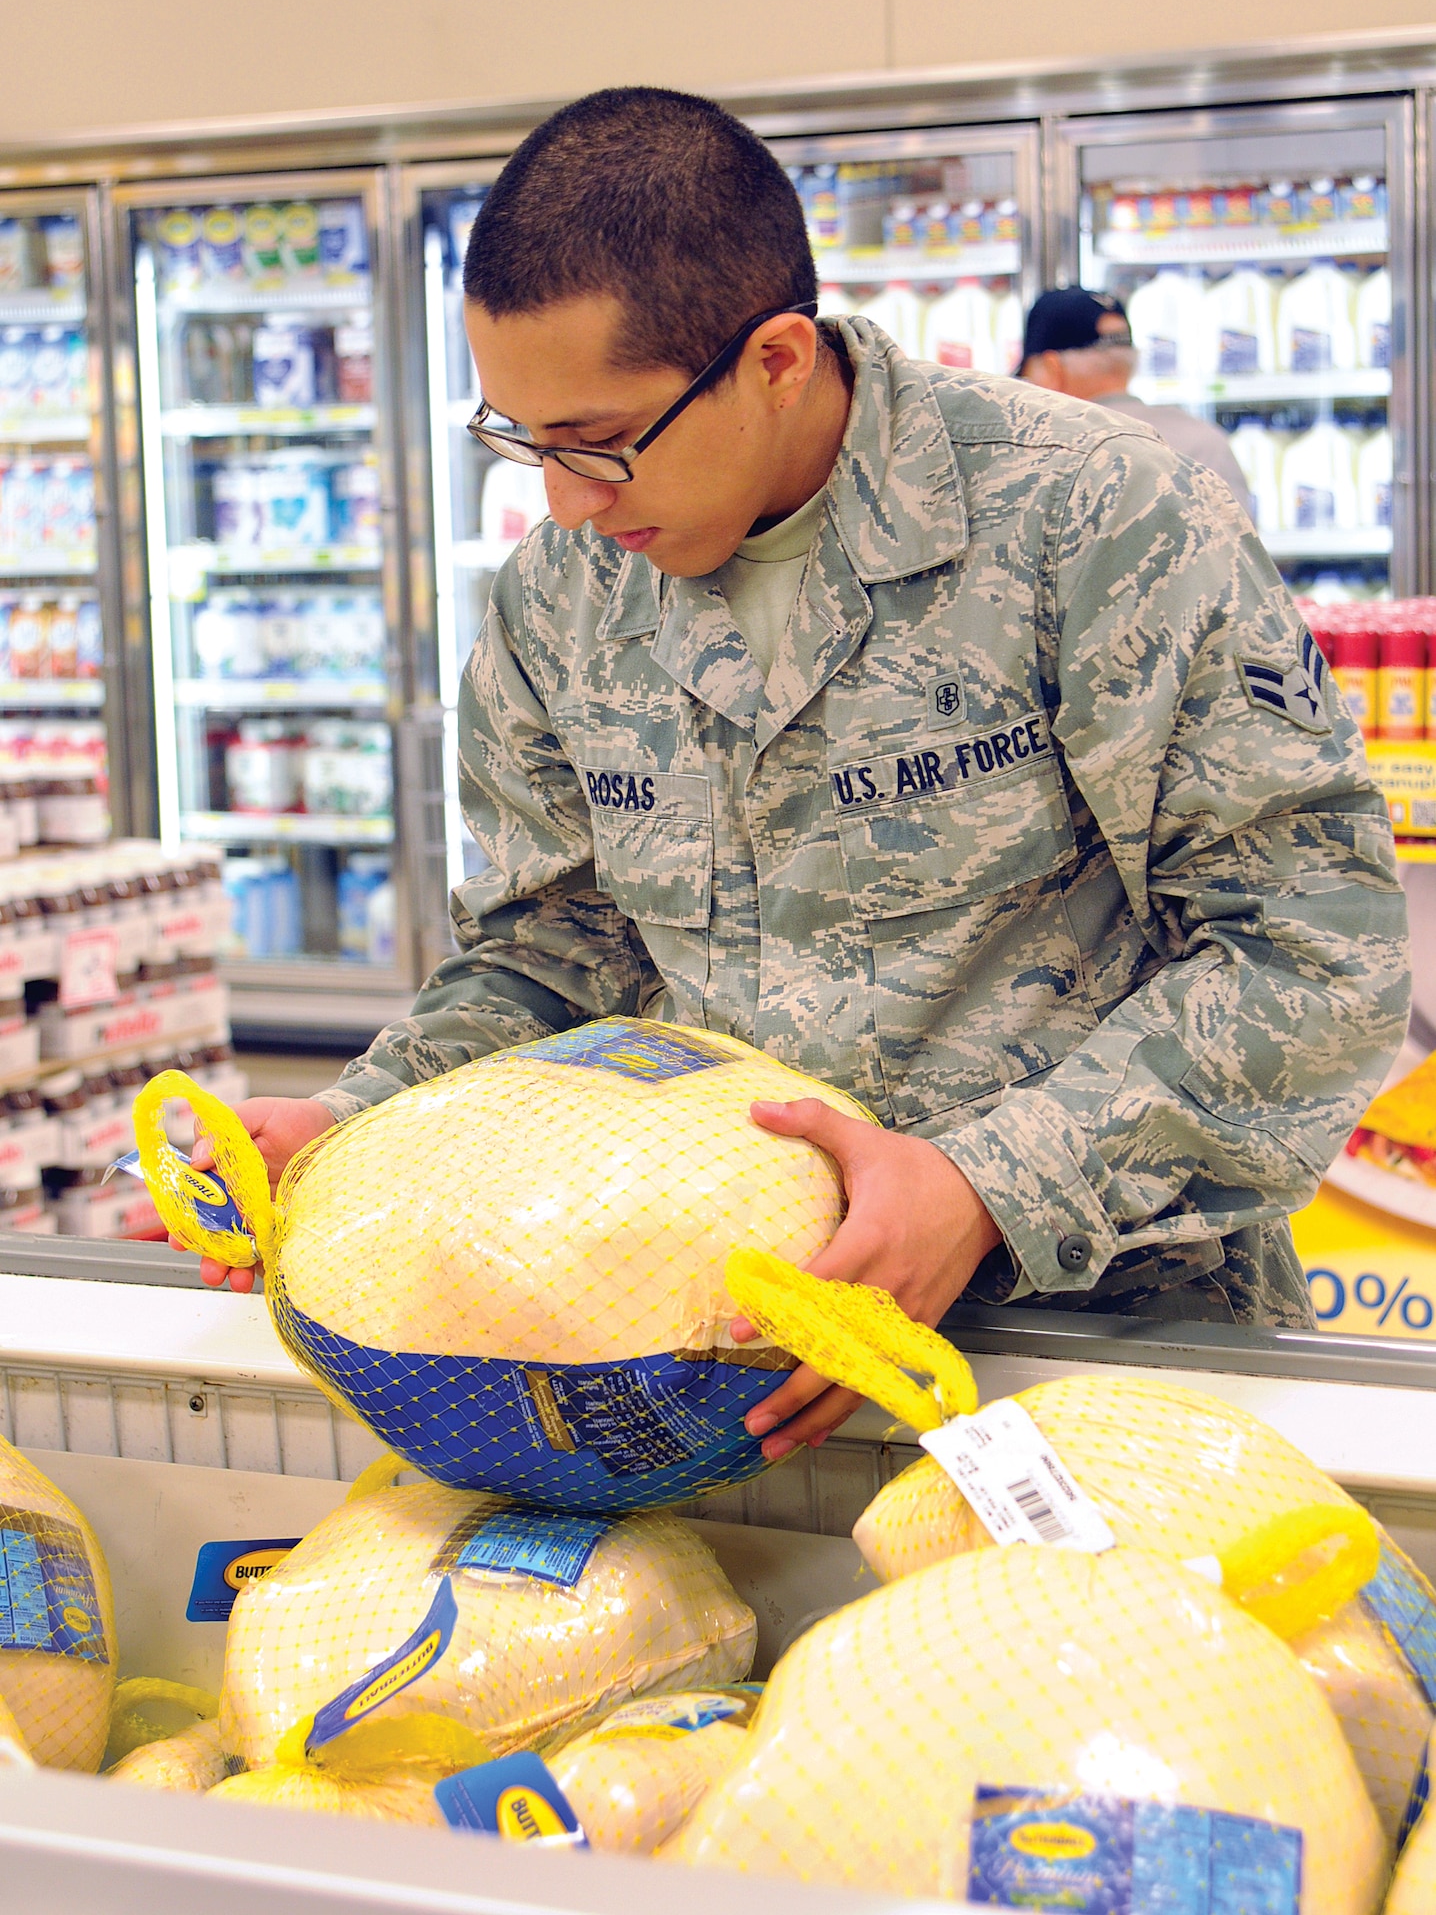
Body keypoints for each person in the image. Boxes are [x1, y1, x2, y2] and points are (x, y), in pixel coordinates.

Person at [187, 88, 1409, 1467]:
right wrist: (355, 1121)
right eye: (521, 440)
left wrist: (986, 1188)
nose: (565, 502)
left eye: (598, 440)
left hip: (1096, 1358)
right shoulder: (559, 601)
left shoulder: (1093, 518)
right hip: (708, 1377)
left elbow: (1317, 956)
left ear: (774, 357)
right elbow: (552, 957)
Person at [1017, 286, 1254, 513]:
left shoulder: (1043, 452)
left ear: (1051, 369)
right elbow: (1240, 545)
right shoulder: (1203, 441)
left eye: (1027, 374)